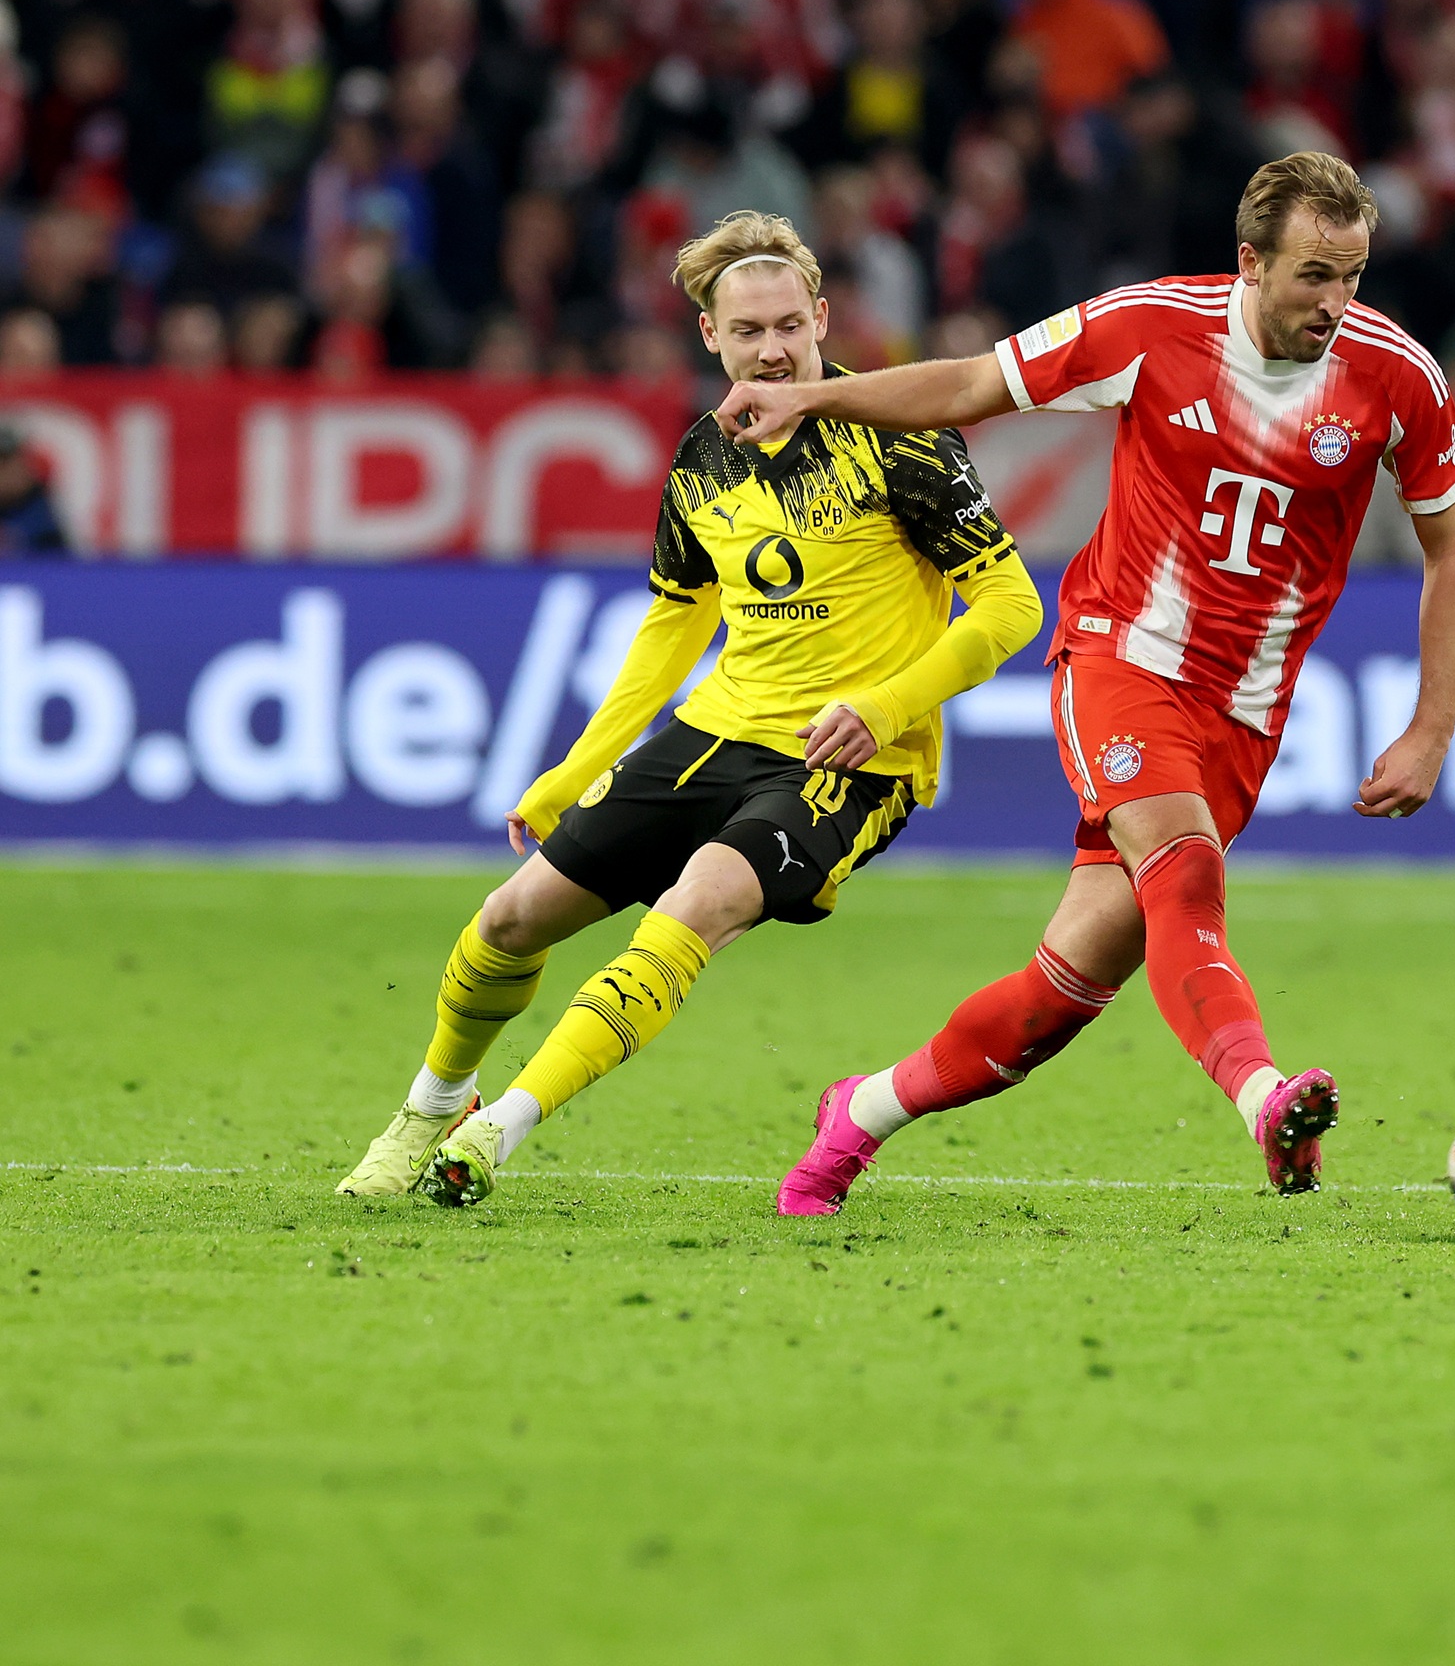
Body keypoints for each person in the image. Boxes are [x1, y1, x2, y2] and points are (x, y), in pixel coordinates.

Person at [715, 152, 1455, 1213]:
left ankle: (861, 1114)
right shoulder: (1150, 326)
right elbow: (974, 384)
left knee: (1056, 1000)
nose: (1336, 302)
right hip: (1119, 659)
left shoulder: (1397, 377)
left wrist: (1430, 729)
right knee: (1186, 871)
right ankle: (1265, 1098)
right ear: (1252, 261)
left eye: (1353, 275)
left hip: (1244, 716)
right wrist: (817, 396)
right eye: (1314, 275)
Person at [335, 211, 1041, 1205]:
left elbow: (1013, 604)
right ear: (709, 335)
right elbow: (674, 622)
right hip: (716, 730)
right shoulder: (704, 457)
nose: (774, 348)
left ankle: (504, 1126)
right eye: (748, 331)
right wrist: (575, 769)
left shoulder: (901, 441)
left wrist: (886, 704)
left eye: (790, 325)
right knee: (509, 918)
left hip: (852, 764)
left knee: (695, 906)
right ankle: (432, 1108)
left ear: (823, 317)